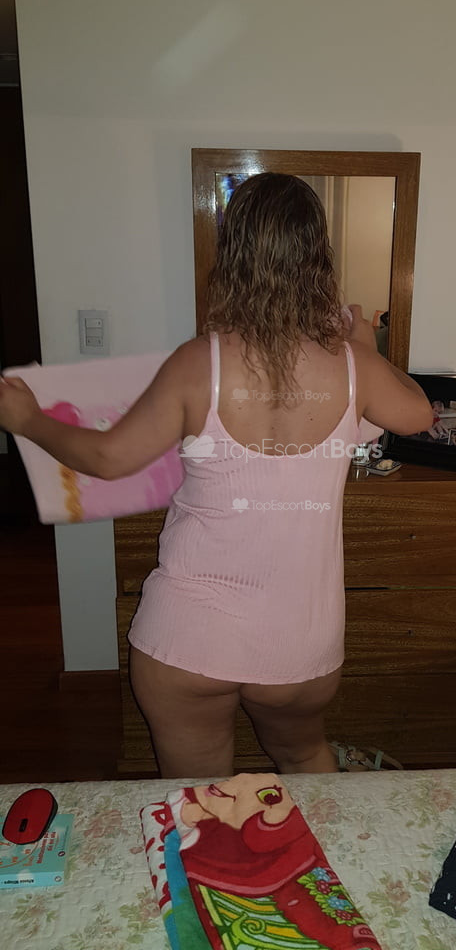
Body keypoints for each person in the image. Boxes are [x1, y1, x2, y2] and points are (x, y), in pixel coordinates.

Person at [0, 172, 433, 779]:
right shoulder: (354, 365)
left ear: (232, 255)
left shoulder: (196, 362)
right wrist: (364, 344)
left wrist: (27, 420)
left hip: (189, 637)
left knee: (201, 803)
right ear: (318, 256)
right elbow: (419, 414)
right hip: (298, 640)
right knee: (304, 757)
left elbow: (107, 459)